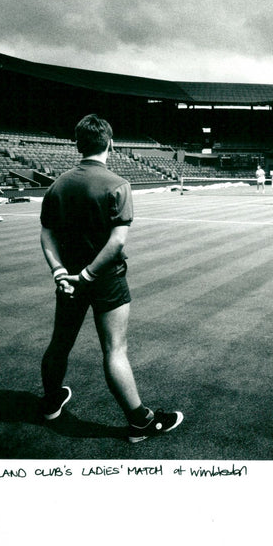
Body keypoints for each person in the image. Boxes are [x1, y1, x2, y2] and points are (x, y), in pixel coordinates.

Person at [39, 114, 183, 443]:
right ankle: (140, 422)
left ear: (78, 145)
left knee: (59, 345)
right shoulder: (118, 184)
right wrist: (89, 275)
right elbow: (117, 242)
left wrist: (60, 272)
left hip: (68, 281)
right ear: (110, 144)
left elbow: (47, 235)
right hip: (105, 279)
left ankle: (49, 403)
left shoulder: (58, 184)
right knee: (115, 350)